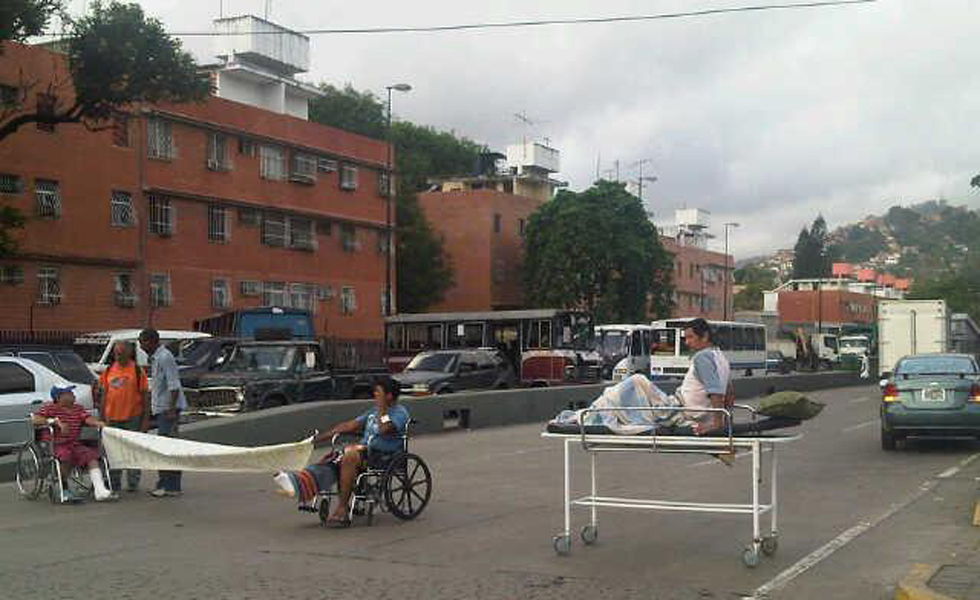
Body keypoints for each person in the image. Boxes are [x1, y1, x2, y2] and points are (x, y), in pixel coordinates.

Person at [273, 377, 409, 528]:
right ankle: (298, 482)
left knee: (349, 456)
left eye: (378, 392)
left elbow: (384, 430)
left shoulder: (400, 412)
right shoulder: (372, 412)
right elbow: (349, 426)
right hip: (364, 452)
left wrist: (383, 409)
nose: (374, 394)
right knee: (334, 459)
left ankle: (342, 508)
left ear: (388, 395)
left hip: (383, 455)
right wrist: (320, 438)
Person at [31, 385, 116, 502]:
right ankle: (64, 489)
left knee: (91, 456)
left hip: (73, 443)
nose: (73, 394)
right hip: (55, 444)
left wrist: (97, 423)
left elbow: (87, 419)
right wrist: (54, 421)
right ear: (59, 396)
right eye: (69, 393)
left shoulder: (78, 408)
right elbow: (35, 419)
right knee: (66, 456)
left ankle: (100, 490)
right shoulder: (50, 408)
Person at [139, 328, 187, 498]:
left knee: (166, 448)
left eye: (142, 342)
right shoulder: (155, 358)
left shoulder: (165, 357)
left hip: (168, 410)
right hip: (161, 409)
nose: (140, 346)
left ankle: (169, 485)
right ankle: (167, 484)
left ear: (151, 341)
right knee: (166, 446)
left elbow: (174, 385)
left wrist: (171, 409)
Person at [97, 341, 149, 492]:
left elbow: (145, 396)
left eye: (120, 353)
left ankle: (133, 484)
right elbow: (104, 395)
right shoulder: (109, 370)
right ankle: (114, 483)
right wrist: (101, 418)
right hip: (111, 419)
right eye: (116, 353)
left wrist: (145, 420)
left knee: (132, 452)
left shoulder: (138, 371)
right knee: (113, 453)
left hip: (133, 418)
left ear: (128, 353)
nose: (117, 356)